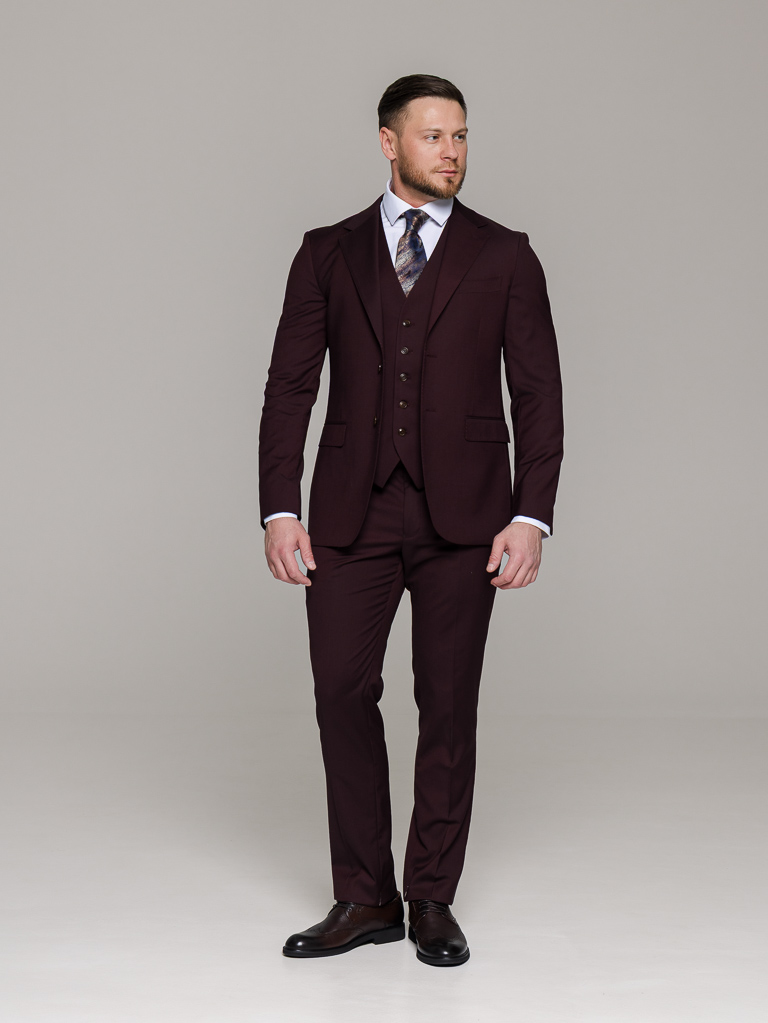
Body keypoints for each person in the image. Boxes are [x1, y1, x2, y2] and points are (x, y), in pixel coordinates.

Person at [259, 74, 564, 967]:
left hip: (466, 515)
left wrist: (531, 515)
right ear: (389, 143)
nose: (452, 152)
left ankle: (430, 895)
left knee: (448, 701)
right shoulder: (327, 251)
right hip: (348, 511)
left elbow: (538, 395)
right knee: (341, 690)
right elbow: (289, 387)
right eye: (434, 136)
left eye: (461, 136)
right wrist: (280, 507)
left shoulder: (506, 255)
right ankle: (365, 895)